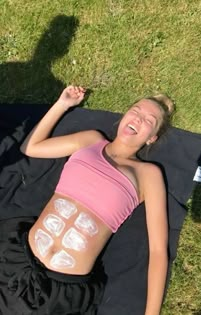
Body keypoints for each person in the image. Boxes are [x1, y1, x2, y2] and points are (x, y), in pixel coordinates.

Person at [0, 85, 174, 315]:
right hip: (17, 258)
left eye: (149, 120)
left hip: (60, 292)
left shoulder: (148, 175)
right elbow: (31, 147)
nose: (138, 119)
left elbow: (158, 250)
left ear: (152, 138)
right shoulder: (91, 140)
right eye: (136, 110)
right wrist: (62, 104)